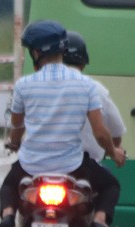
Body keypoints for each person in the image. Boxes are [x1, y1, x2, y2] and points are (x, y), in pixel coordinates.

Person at [0, 20, 126, 227]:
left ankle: (8, 218)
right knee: (110, 185)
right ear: (61, 49)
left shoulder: (24, 85)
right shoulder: (86, 85)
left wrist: (14, 142)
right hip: (73, 167)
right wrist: (114, 152)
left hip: (31, 166)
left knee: (9, 185)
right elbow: (100, 132)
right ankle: (100, 222)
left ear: (35, 52)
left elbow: (17, 126)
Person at [62, 31, 126, 164]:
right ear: (83, 64)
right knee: (111, 185)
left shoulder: (39, 85)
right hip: (86, 167)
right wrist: (112, 150)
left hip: (45, 167)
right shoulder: (96, 89)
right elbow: (115, 135)